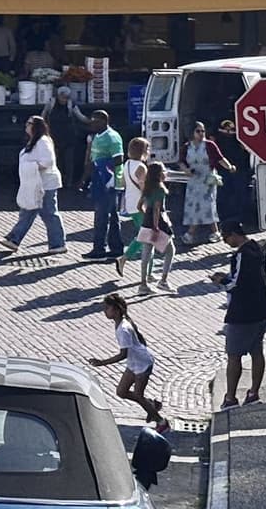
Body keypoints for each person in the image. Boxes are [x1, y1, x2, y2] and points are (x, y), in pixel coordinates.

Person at [89, 292, 170, 433]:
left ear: (116, 310)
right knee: (121, 391)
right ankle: (151, 404)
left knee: (138, 395)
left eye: (107, 308)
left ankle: (162, 422)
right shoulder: (122, 322)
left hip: (142, 365)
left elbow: (123, 354)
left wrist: (102, 363)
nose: (104, 311)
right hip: (134, 363)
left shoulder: (123, 330)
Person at [212, 221, 266, 409]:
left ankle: (230, 398)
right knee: (257, 351)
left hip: (243, 312)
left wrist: (221, 280)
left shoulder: (242, 255)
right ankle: (253, 392)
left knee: (234, 355)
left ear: (235, 234)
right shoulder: (257, 249)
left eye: (225, 237)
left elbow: (236, 284)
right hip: (262, 308)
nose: (225, 241)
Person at [1, 115, 65, 255]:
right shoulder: (33, 141)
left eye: (29, 123)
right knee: (28, 210)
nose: (27, 125)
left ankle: (58, 244)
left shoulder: (43, 141)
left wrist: (32, 167)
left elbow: (48, 161)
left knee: (49, 213)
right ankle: (14, 239)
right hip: (34, 183)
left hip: (46, 184)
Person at [182, 121, 234, 247]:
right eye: (198, 131)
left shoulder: (210, 145)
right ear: (192, 133)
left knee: (207, 204)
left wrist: (229, 167)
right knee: (194, 205)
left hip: (207, 179)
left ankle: (191, 233)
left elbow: (220, 158)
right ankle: (214, 231)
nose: (201, 134)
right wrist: (186, 170)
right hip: (193, 180)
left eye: (203, 131)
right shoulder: (187, 147)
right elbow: (181, 161)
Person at [83, 111, 126, 263]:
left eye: (95, 121)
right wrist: (85, 178)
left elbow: (118, 159)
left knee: (101, 216)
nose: (92, 124)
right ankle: (116, 248)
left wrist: (110, 178)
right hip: (98, 179)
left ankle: (99, 249)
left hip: (109, 182)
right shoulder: (97, 137)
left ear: (104, 120)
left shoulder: (112, 137)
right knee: (112, 215)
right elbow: (92, 159)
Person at [138, 162, 176, 294]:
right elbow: (157, 209)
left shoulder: (147, 187)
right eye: (164, 171)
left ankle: (143, 284)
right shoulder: (160, 189)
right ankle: (163, 281)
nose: (166, 173)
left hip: (146, 221)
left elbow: (139, 206)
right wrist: (155, 227)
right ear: (159, 174)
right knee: (170, 250)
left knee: (146, 253)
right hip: (159, 223)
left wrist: (146, 217)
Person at [49, 89, 89, 208]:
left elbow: (80, 116)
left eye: (66, 97)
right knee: (56, 160)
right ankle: (58, 181)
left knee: (69, 160)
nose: (64, 99)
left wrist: (90, 121)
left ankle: (69, 182)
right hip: (55, 136)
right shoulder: (51, 103)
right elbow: (44, 115)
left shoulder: (71, 105)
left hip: (68, 137)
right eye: (62, 97)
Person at [119, 137, 150, 274]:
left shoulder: (127, 164)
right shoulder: (141, 167)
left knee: (144, 235)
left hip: (130, 203)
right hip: (140, 205)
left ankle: (148, 271)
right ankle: (125, 258)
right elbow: (144, 188)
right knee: (146, 237)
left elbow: (123, 183)